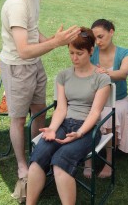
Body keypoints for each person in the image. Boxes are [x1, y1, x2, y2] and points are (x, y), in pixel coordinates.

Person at [0, 0, 81, 201]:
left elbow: (32, 32)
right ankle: (23, 165)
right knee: (18, 118)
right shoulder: (17, 4)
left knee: (40, 111)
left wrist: (49, 40)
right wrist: (56, 43)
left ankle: (38, 156)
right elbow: (23, 49)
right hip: (17, 68)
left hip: (34, 65)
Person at [26, 27, 111, 205]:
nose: (74, 58)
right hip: (64, 124)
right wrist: (52, 129)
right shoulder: (63, 75)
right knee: (38, 156)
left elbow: (95, 112)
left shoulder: (101, 79)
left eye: (79, 53)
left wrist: (79, 133)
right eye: (71, 52)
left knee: (60, 161)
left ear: (91, 51)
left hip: (88, 130)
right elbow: (61, 109)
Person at [84, 19, 128, 178]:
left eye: (101, 36)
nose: (98, 41)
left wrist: (102, 73)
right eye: (95, 39)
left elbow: (123, 74)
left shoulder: (125, 53)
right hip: (95, 99)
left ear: (111, 32)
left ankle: (109, 161)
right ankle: (88, 160)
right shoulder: (92, 52)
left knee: (108, 116)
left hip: (118, 99)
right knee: (83, 113)